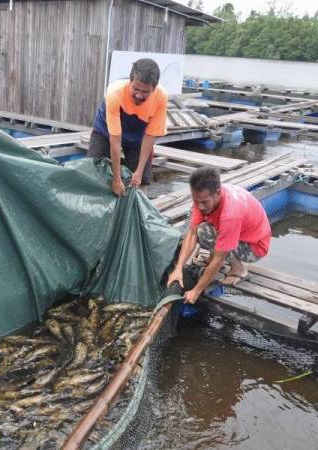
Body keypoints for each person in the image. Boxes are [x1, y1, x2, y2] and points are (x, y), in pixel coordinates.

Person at [167, 167, 272, 304]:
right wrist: (178, 268)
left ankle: (239, 269)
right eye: (196, 201)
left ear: (217, 193)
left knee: (206, 233)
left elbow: (219, 258)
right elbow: (191, 234)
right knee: (201, 231)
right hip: (238, 234)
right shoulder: (202, 199)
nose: (200, 206)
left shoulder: (230, 214)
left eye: (204, 202)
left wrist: (196, 291)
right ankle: (218, 256)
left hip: (255, 246)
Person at [88, 58, 168, 196]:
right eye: (136, 89)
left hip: (138, 131)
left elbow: (150, 137)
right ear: (130, 81)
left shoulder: (161, 97)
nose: (139, 95)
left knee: (141, 180)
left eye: (145, 92)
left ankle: (137, 211)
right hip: (107, 130)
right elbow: (115, 141)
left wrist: (139, 171)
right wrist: (116, 178)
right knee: (93, 169)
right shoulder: (114, 93)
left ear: (154, 89)